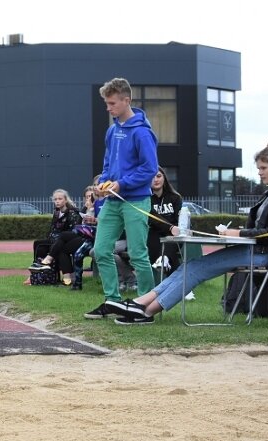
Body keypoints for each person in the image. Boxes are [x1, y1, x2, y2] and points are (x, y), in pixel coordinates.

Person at [104, 138, 268, 324]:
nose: (259, 173)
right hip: (256, 251)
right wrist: (238, 233)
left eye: (263, 168)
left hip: (265, 255)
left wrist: (237, 234)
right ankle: (142, 304)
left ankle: (146, 312)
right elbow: (264, 229)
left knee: (196, 269)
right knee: (189, 266)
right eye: (258, 168)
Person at [86, 77, 158, 319]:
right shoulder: (112, 130)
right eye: (107, 103)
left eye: (112, 103)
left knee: (138, 254)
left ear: (127, 100)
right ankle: (112, 301)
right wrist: (102, 183)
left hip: (135, 201)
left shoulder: (142, 133)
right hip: (112, 201)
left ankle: (146, 306)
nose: (108, 108)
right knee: (101, 250)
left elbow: (150, 169)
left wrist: (121, 183)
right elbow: (108, 164)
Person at [29, 189, 82, 269]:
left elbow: (73, 231)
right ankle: (39, 268)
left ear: (66, 200)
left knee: (40, 244)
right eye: (55, 199)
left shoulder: (72, 212)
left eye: (60, 199)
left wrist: (57, 238)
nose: (57, 201)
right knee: (38, 244)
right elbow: (52, 228)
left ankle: (42, 265)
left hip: (64, 240)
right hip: (53, 238)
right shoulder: (56, 212)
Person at [147, 166, 182, 275]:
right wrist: (169, 227)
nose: (156, 180)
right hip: (154, 234)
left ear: (164, 178)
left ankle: (164, 260)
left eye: (159, 176)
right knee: (157, 242)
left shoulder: (175, 197)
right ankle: (165, 261)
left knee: (170, 241)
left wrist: (173, 229)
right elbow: (152, 217)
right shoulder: (145, 199)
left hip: (173, 235)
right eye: (152, 177)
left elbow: (179, 220)